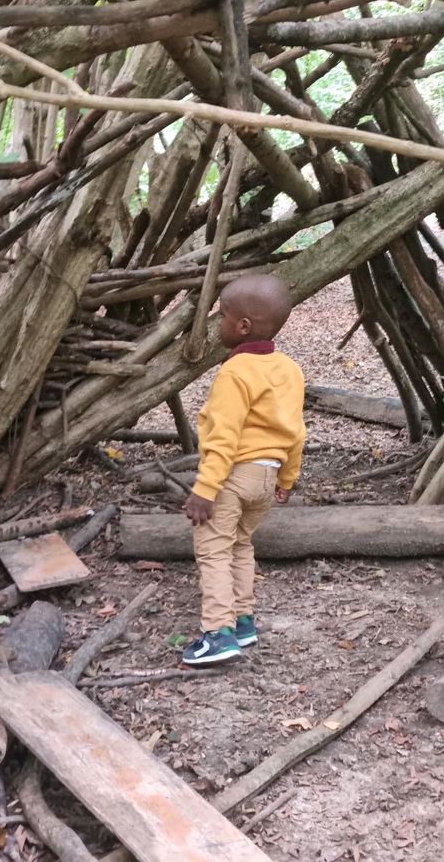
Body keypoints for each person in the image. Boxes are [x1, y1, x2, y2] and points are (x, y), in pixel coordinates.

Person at [181, 273, 306, 666]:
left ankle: (217, 634)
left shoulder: (235, 373)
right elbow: (297, 433)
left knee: (214, 549)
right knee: (241, 545)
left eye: (222, 317)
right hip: (267, 478)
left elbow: (223, 438)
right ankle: (243, 621)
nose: (219, 324)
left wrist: (205, 488)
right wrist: (287, 478)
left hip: (233, 477)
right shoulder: (288, 370)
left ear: (243, 326)